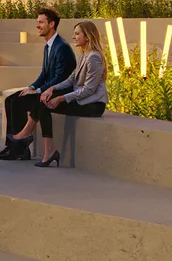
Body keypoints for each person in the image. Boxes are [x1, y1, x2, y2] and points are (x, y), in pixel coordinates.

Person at [13, 21, 108, 166]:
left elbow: (90, 89)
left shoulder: (94, 57)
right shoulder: (84, 56)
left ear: (87, 37)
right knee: (44, 100)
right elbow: (71, 80)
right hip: (82, 100)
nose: (74, 37)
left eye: (77, 33)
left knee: (46, 105)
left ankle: (34, 140)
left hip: (93, 105)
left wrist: (62, 98)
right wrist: (52, 89)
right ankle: (44, 147)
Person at [0, 8, 73, 161]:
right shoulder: (48, 46)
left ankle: (20, 149)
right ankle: (12, 146)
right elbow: (44, 73)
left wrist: (39, 90)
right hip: (46, 90)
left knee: (18, 101)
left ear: (52, 24)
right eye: (37, 22)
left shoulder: (61, 47)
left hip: (57, 93)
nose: (38, 26)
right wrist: (31, 87)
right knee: (11, 99)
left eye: (41, 22)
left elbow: (60, 78)